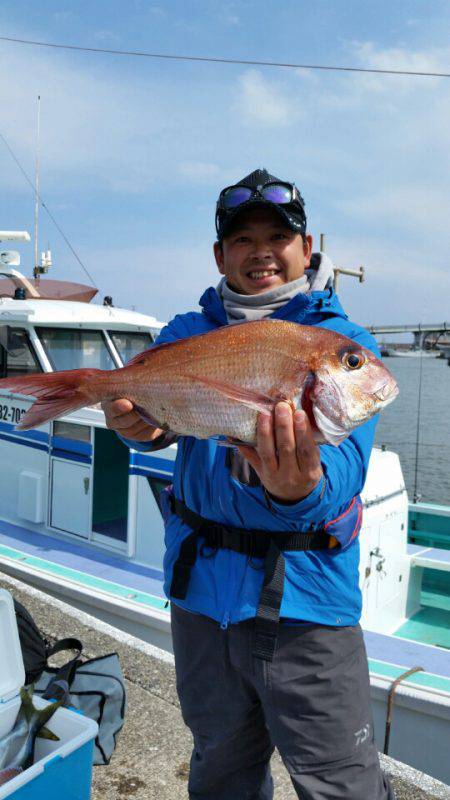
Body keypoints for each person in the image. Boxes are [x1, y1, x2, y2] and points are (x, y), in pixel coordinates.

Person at [102, 169, 395, 800]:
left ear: (307, 247)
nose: (260, 250)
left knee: (342, 786)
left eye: (277, 236)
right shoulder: (186, 333)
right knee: (219, 772)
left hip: (309, 611)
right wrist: (135, 429)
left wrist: (298, 488)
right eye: (242, 239)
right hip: (200, 603)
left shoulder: (345, 345)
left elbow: (340, 477)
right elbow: (160, 426)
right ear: (220, 255)